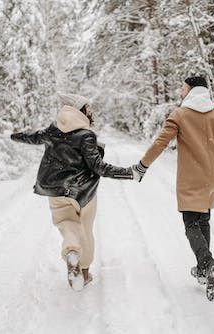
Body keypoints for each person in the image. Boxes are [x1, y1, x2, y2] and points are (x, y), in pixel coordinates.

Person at [130, 76, 214, 301]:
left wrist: (142, 166)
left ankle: (209, 264)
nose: (181, 91)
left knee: (191, 223)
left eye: (183, 88)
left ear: (191, 90)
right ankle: (203, 270)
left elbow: (161, 142)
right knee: (203, 220)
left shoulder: (180, 115)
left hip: (191, 180)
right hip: (213, 181)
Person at [11, 94, 134, 291]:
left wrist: (13, 135)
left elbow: (32, 137)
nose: (90, 112)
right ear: (81, 111)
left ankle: (71, 253)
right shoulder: (86, 135)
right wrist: (128, 173)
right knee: (85, 229)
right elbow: (99, 167)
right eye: (88, 108)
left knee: (67, 226)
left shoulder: (52, 131)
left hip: (55, 189)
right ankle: (84, 273)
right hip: (83, 193)